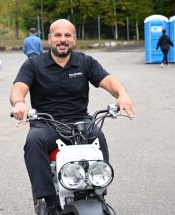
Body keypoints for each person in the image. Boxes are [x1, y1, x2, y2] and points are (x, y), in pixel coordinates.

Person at [10, 19, 136, 215]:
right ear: (49, 38)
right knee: (33, 142)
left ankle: (98, 189)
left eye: (67, 35)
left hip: (79, 121)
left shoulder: (85, 62)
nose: (63, 39)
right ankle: (49, 201)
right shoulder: (34, 64)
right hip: (46, 123)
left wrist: (123, 94)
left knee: (98, 136)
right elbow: (18, 89)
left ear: (74, 39)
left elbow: (110, 82)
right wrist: (19, 103)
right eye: (58, 35)